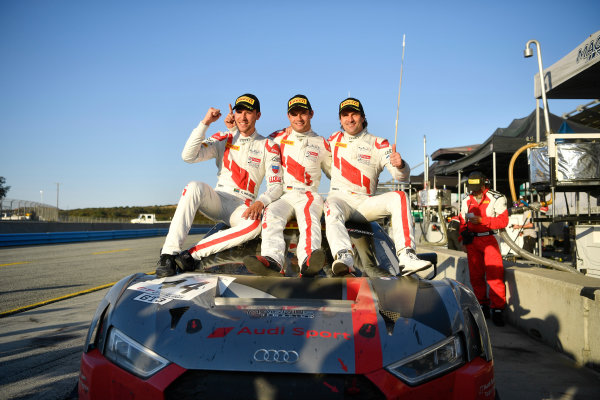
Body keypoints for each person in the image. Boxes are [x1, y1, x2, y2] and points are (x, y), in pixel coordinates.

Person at [155, 94, 283, 277]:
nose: (243, 117)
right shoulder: (224, 137)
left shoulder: (268, 145)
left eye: (249, 112)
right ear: (235, 114)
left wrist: (261, 201)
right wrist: (205, 123)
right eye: (239, 112)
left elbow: (276, 185)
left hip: (243, 204)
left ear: (258, 115)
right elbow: (188, 156)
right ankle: (168, 254)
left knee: (255, 225)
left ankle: (191, 255)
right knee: (193, 186)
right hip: (219, 198)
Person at [324, 97, 432, 277]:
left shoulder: (379, 143)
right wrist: (290, 132)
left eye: (354, 114)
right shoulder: (332, 139)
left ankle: (406, 255)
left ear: (363, 117)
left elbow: (400, 177)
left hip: (365, 203)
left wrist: (400, 164)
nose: (350, 119)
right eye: (345, 115)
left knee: (399, 196)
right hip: (339, 200)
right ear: (340, 119)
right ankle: (343, 256)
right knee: (330, 204)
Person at [244, 95, 332, 277]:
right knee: (271, 213)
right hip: (283, 195)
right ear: (288, 116)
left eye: (303, 113)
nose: (298, 118)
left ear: (311, 114)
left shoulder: (323, 143)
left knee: (308, 219)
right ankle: (273, 261)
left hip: (308, 195)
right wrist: (233, 129)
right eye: (294, 114)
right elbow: (251, 143)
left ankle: (308, 261)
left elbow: (335, 174)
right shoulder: (276, 137)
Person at [458, 171, 508, 326]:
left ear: (485, 183)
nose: (474, 190)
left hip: (490, 239)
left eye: (477, 187)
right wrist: (463, 240)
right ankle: (482, 305)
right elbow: (462, 221)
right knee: (476, 276)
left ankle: (498, 309)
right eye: (472, 187)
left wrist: (482, 220)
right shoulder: (466, 199)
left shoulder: (497, 197)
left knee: (495, 275)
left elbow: (503, 221)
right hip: (472, 241)